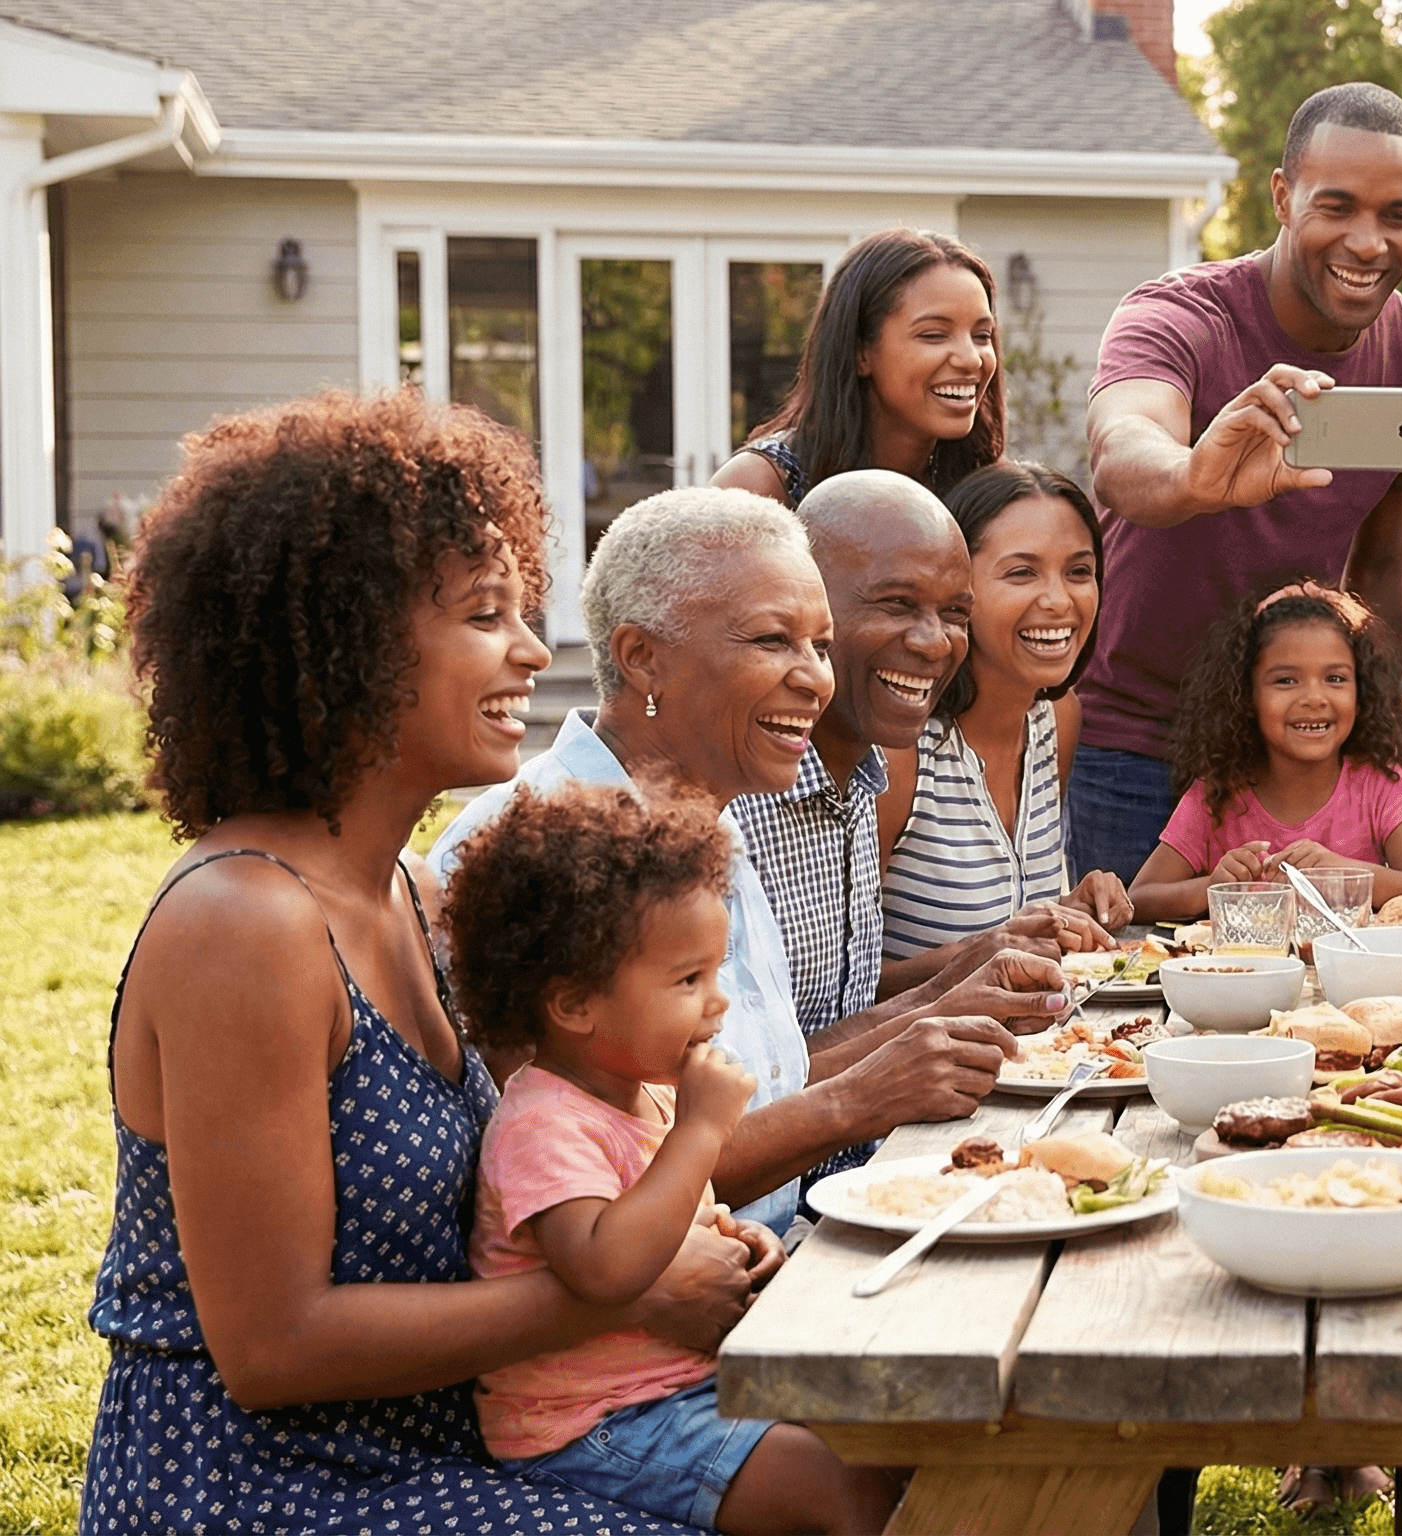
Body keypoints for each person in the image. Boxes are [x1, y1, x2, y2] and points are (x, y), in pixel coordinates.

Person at [86, 390, 757, 1532]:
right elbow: (273, 1348)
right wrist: (617, 1296)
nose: (533, 651)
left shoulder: (416, 894)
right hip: (263, 1488)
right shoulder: (245, 924)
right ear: (347, 642)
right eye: (484, 614)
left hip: (453, 1440)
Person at [433, 488, 1047, 1235]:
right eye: (771, 641)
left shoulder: (710, 818)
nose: (815, 678)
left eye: (820, 645)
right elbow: (593, 1182)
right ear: (642, 658)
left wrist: (939, 1007)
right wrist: (860, 1099)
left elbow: (752, 1091)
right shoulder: (523, 849)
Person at [447, 784, 899, 1534]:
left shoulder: (640, 1094)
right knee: (840, 1489)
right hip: (588, 1423)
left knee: (895, 1432)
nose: (718, 1004)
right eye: (689, 980)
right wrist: (700, 1133)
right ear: (574, 1003)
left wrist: (733, 1238)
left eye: (716, 974)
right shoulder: (544, 1123)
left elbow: (674, 1218)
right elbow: (606, 1268)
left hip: (677, 1386)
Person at [1073, 81, 1402, 883]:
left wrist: (1377, 736)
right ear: (1282, 195)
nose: (1369, 243)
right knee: (1123, 993)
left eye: (1398, 214)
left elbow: (1380, 572)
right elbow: (1121, 447)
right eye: (1336, 207)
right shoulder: (1179, 316)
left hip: (1295, 763)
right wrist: (1197, 475)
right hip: (1135, 744)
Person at [728, 469, 999, 1190]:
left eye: (955, 612)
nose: (934, 641)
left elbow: (829, 1014)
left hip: (867, 1181)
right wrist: (936, 1007)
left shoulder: (864, 769)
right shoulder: (734, 799)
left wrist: (975, 963)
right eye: (897, 604)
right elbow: (751, 1088)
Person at [878, 462, 1131, 991]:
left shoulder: (1056, 720)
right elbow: (835, 988)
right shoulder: (901, 750)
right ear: (956, 591)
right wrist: (980, 956)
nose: (1060, 600)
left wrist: (1066, 911)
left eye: (1079, 572)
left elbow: (1006, 927)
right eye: (1022, 573)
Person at [1129, 583, 1402, 922]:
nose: (1314, 698)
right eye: (1286, 681)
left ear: (1362, 691)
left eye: (1335, 678)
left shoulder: (1380, 783)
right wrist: (1215, 886)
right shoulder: (1217, 793)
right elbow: (1140, 898)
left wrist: (1340, 874)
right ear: (1246, 695)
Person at [713, 229, 1003, 506]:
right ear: (860, 351)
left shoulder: (986, 490)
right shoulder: (759, 486)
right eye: (934, 335)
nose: (972, 359)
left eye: (981, 336)